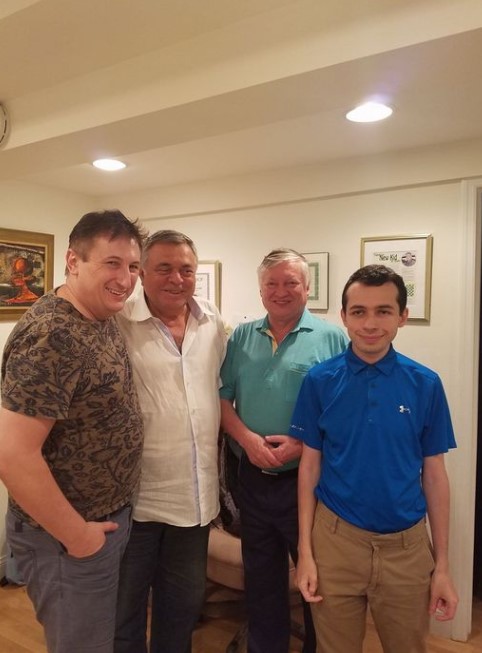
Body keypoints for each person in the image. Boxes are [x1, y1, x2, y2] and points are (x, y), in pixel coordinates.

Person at [292, 264, 458, 653]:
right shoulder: (319, 381)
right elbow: (309, 467)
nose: (370, 324)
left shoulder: (425, 384)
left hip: (407, 547)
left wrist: (443, 566)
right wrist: (306, 552)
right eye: (359, 311)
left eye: (383, 311)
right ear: (344, 316)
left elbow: (435, 475)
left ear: (402, 316)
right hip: (335, 541)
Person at [0, 210, 146, 653]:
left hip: (102, 522)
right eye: (112, 263)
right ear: (73, 261)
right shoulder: (53, 334)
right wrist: (78, 537)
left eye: (133, 266)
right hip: (65, 538)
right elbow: (12, 453)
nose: (126, 279)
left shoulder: (99, 316)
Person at [219, 248, 348, 653]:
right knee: (261, 578)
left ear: (307, 288)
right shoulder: (241, 336)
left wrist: (304, 444)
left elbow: (344, 410)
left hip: (308, 481)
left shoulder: (331, 338)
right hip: (252, 478)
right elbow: (222, 400)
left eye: (290, 282)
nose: (280, 291)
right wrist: (248, 440)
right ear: (260, 291)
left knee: (316, 578)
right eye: (271, 283)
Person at [114, 230, 226, 653]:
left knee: (181, 609)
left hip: (195, 501)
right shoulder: (118, 320)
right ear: (142, 272)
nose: (176, 279)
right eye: (164, 268)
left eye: (186, 269)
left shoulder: (211, 320)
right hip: (136, 501)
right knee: (123, 612)